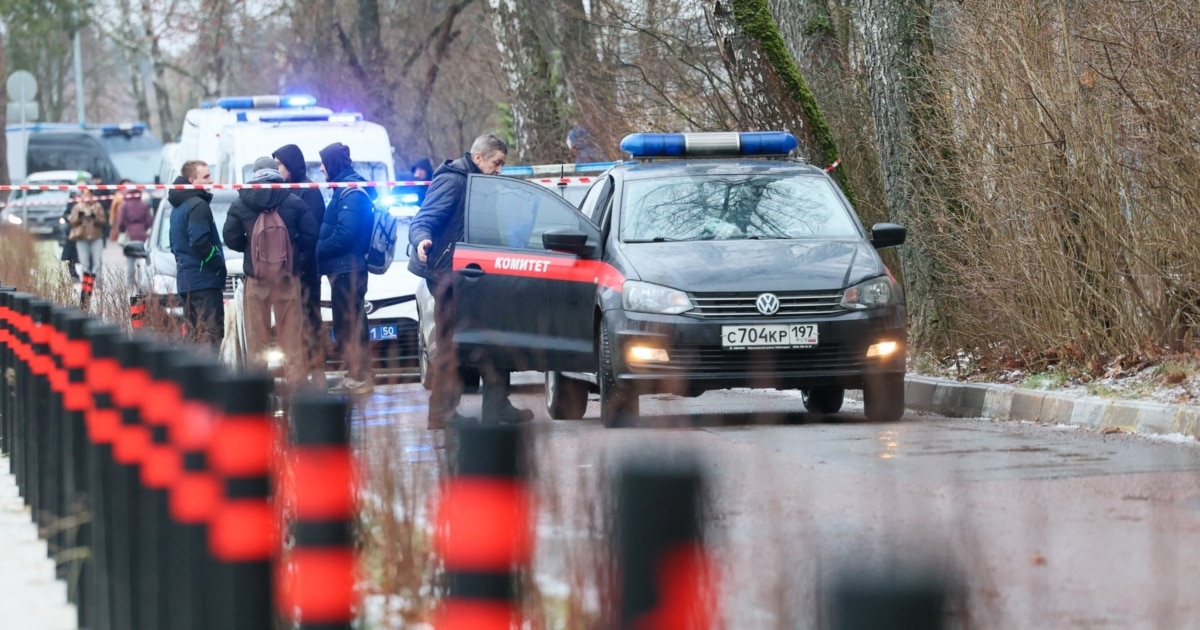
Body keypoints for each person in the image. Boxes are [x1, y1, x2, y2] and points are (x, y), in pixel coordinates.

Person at [408, 133, 533, 428]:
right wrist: (422, 241)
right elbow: (424, 219)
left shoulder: (481, 183)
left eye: (502, 164)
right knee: (450, 344)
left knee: (496, 337)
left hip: (477, 275)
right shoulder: (453, 180)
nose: (500, 169)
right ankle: (441, 413)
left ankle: (497, 406)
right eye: (496, 163)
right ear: (478, 158)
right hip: (447, 276)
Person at [223, 157, 319, 384]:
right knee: (291, 338)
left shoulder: (241, 202)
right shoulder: (293, 200)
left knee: (257, 339)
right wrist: (295, 259)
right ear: (275, 172)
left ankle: (257, 392)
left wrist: (250, 251)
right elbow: (311, 235)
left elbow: (230, 237)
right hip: (287, 278)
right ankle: (297, 389)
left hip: (256, 280)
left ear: (255, 174)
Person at [315, 142, 375, 395]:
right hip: (344, 268)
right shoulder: (344, 189)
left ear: (333, 164)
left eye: (323, 163)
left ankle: (359, 376)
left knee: (350, 324)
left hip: (348, 270)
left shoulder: (351, 192)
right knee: (348, 323)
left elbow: (345, 234)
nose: (320, 169)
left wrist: (319, 249)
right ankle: (354, 373)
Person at [273, 143, 328, 385]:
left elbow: (311, 235)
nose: (277, 169)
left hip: (305, 272)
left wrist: (299, 266)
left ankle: (316, 373)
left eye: (279, 165)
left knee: (310, 323)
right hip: (289, 272)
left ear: (291, 166)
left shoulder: (309, 191)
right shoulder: (283, 190)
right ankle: (298, 374)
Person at [168, 160, 226, 350]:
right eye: (206, 177)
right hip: (204, 284)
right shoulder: (198, 206)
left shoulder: (178, 207)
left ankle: (195, 379)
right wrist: (216, 261)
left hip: (187, 283)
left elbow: (174, 245)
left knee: (194, 338)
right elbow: (199, 241)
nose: (211, 180)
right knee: (211, 337)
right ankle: (211, 379)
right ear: (192, 181)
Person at [67, 188, 107, 308]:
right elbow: (72, 222)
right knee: (85, 264)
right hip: (82, 238)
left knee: (97, 263)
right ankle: (85, 288)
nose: (86, 197)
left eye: (88, 195)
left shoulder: (97, 206)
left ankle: (98, 286)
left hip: (96, 238)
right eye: (84, 195)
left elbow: (103, 221)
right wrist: (79, 217)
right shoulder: (77, 207)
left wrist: (95, 218)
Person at [115, 189, 153, 291]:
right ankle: (142, 281)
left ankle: (130, 283)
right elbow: (149, 221)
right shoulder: (144, 205)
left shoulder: (125, 205)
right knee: (142, 258)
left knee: (130, 259)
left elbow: (120, 222)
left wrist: (123, 229)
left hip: (129, 234)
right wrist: (142, 227)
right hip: (141, 234)